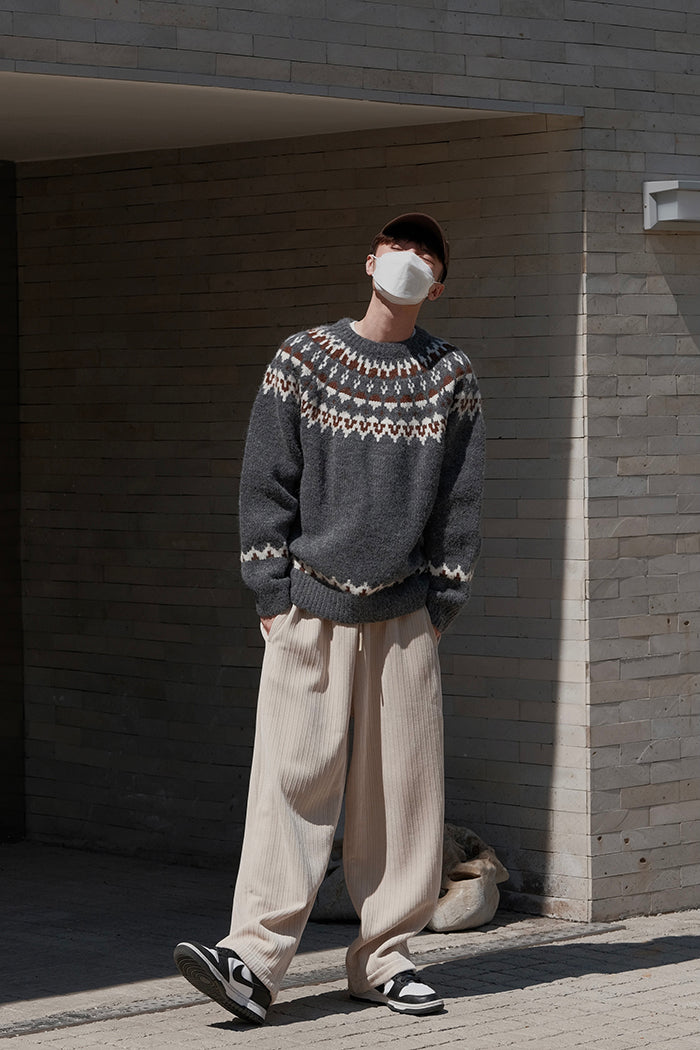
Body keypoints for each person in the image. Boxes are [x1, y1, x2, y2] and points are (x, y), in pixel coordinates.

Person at [174, 212, 485, 1024]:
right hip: (308, 605)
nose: (410, 259)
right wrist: (270, 591)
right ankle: (252, 961)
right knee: (289, 781)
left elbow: (458, 502)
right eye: (398, 247)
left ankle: (385, 960)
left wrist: (442, 605)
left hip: (406, 613)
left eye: (426, 254)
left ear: (438, 285)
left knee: (403, 796)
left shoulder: (450, 375)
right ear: (369, 262)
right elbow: (265, 479)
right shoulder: (304, 358)